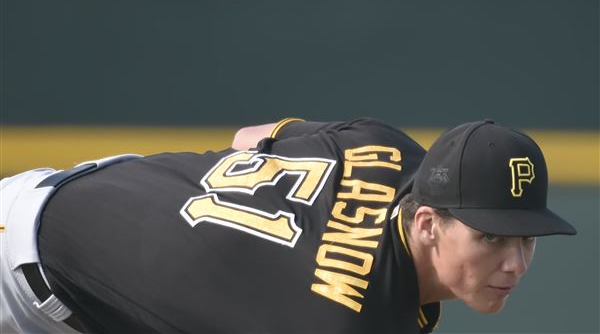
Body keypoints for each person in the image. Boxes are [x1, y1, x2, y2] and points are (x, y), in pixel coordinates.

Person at [0, 117, 576, 334]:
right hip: (30, 281)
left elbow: (249, 138)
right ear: (427, 223)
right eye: (491, 237)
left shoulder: (384, 147)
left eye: (527, 238)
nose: (515, 262)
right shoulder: (347, 322)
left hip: (85, 193)